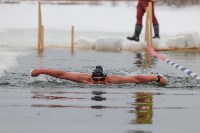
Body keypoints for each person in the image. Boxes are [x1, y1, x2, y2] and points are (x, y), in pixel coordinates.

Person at [31, 65, 168, 85]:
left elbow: (136, 78)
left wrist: (157, 77)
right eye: (95, 79)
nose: (98, 82)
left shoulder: (113, 80)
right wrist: (41, 70)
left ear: (105, 77)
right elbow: (62, 74)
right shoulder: (86, 80)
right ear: (91, 77)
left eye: (100, 79)